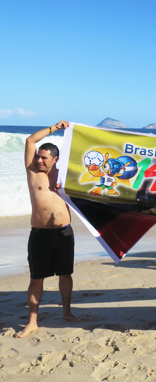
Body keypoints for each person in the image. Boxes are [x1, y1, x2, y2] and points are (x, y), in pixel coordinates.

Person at [19, 121, 78, 338]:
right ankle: (32, 321)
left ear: (55, 159)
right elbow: (30, 140)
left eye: (44, 157)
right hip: (40, 234)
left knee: (65, 274)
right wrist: (54, 128)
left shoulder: (65, 176)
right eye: (38, 156)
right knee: (37, 277)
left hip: (64, 232)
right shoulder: (32, 172)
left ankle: (67, 312)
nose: (40, 160)